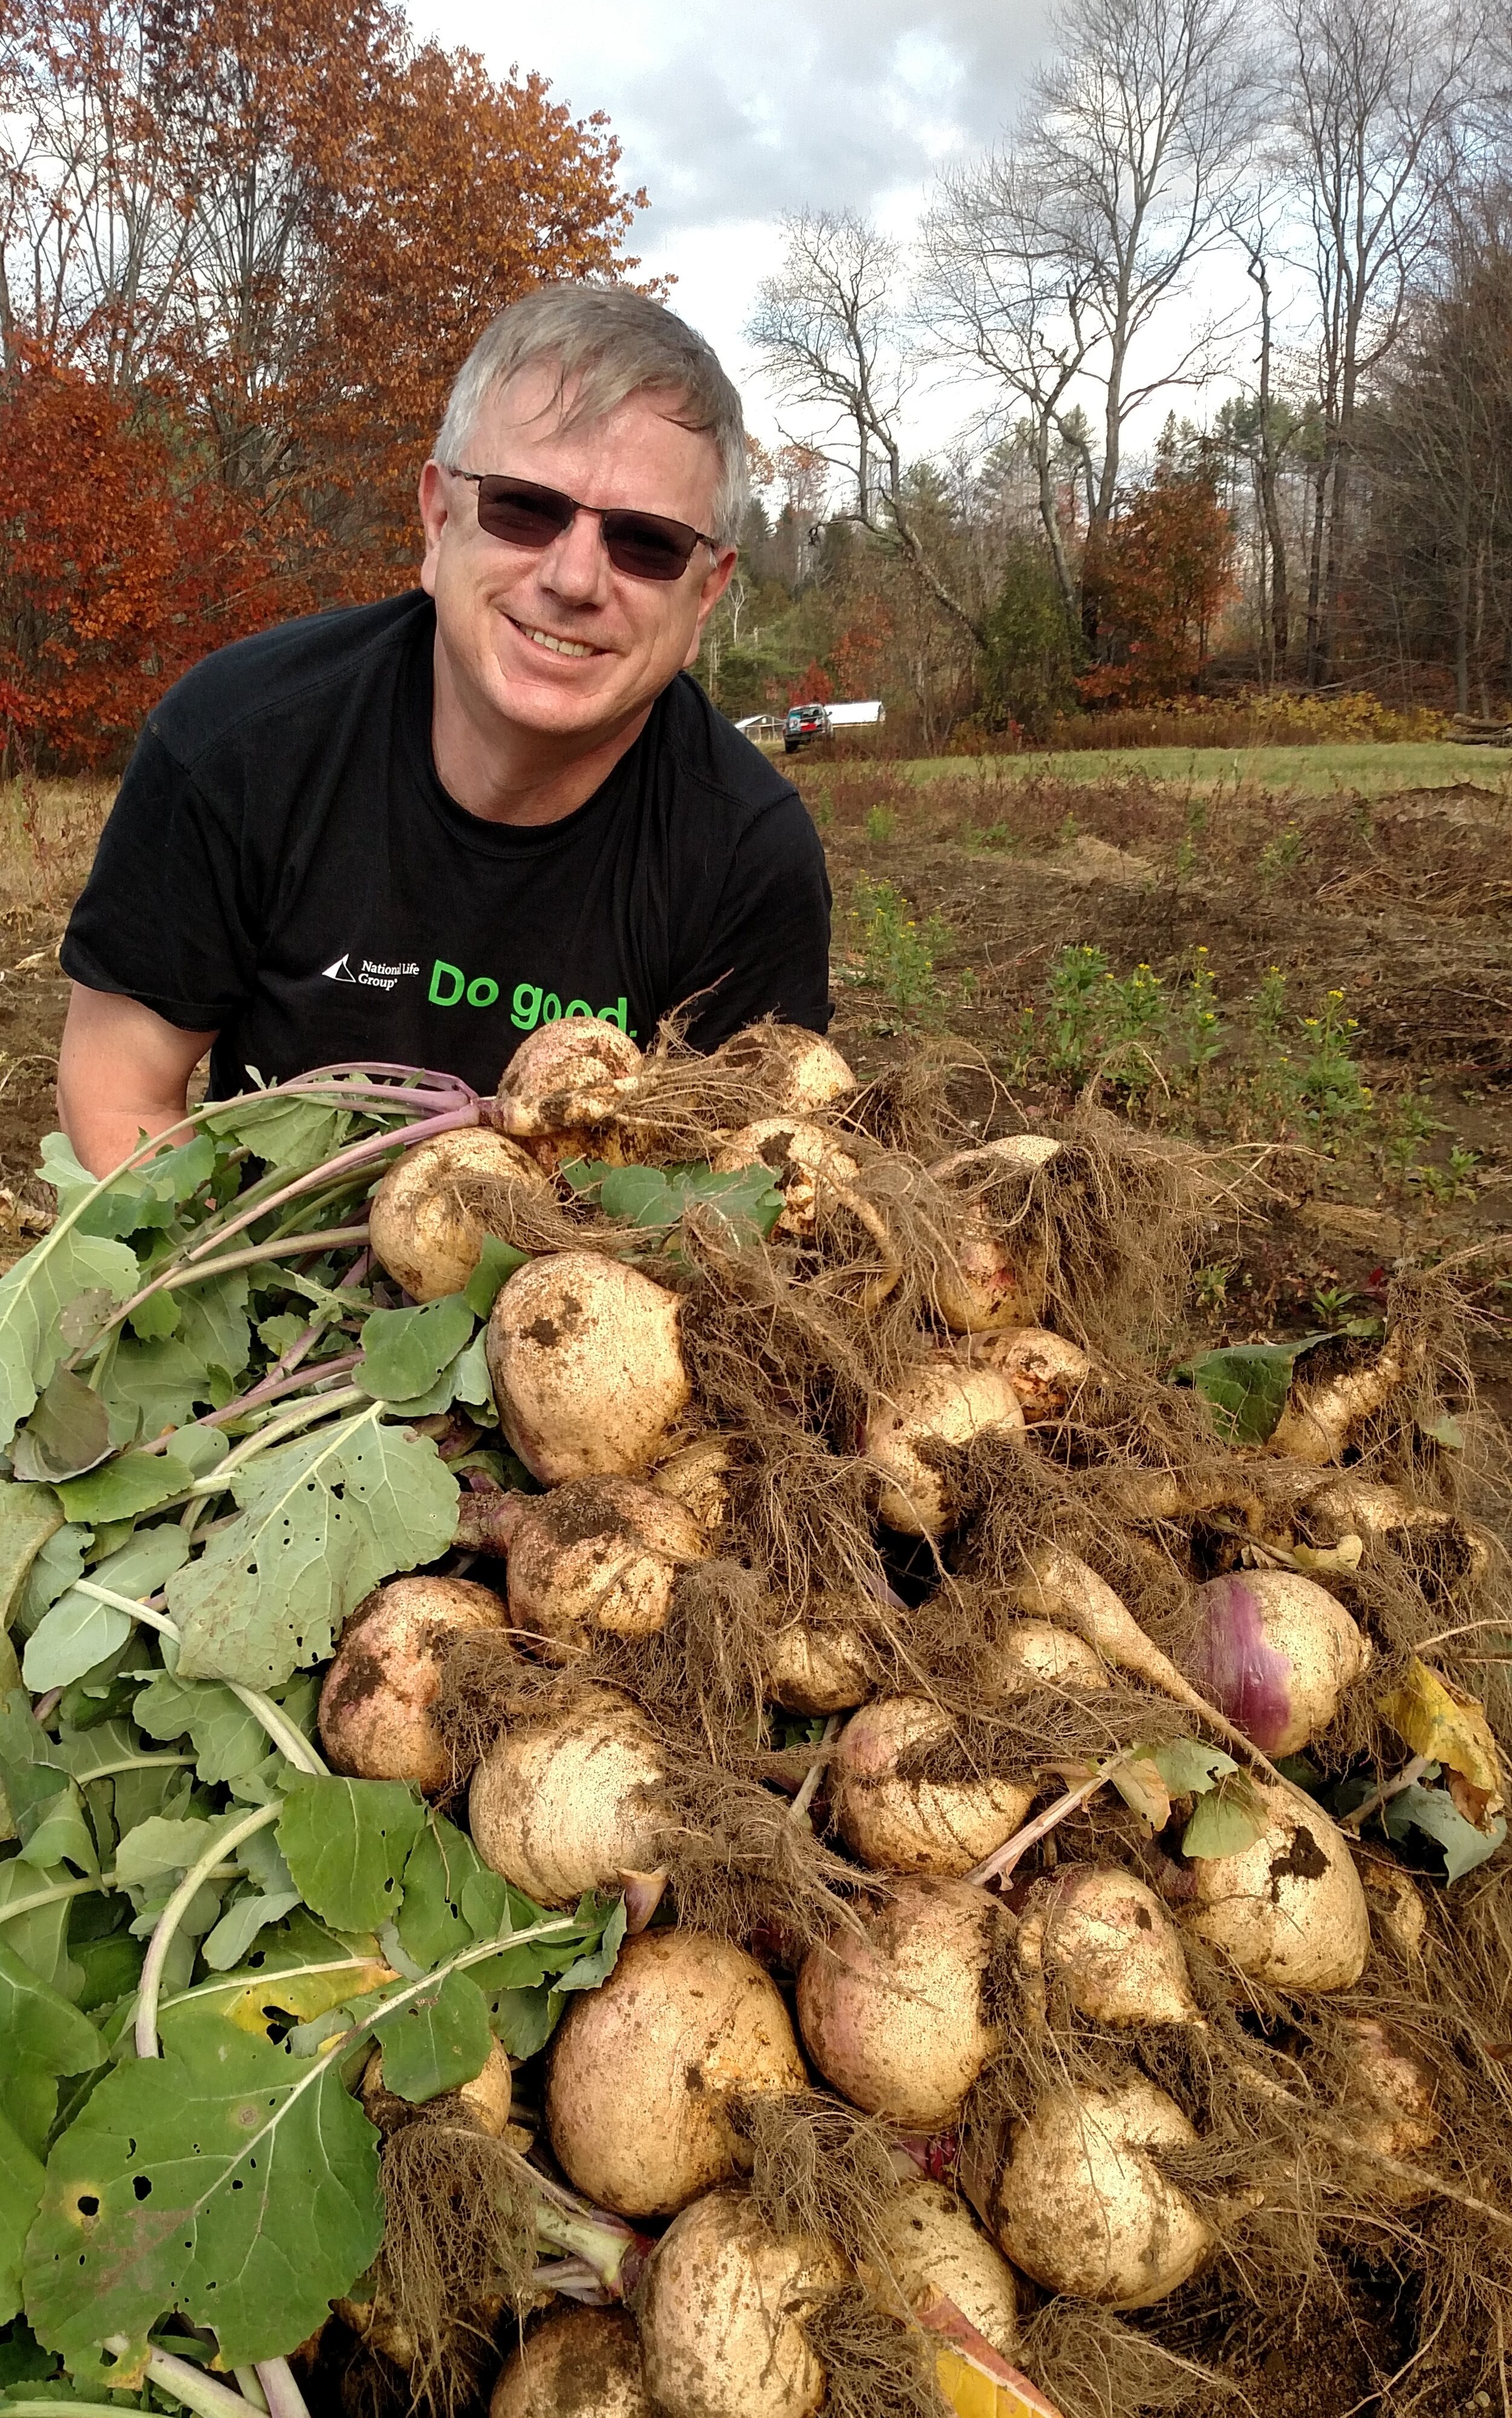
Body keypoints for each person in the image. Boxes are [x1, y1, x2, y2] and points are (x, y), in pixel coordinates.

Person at [57, 287, 833, 1176]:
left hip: (590, 1298)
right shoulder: (237, 744)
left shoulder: (747, 856)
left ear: (704, 595)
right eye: (524, 508)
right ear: (437, 520)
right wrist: (249, 1302)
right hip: (278, 1289)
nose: (576, 576)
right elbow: (121, 1090)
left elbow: (750, 1191)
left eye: (647, 542)